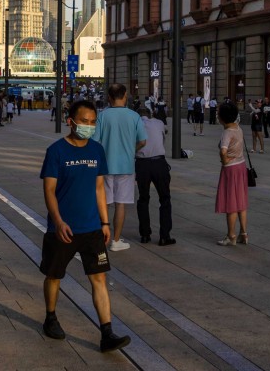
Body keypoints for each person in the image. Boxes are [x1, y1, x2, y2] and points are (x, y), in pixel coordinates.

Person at [38, 99, 131, 353]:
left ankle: (107, 333)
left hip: (91, 228)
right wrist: (57, 221)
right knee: (54, 276)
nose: (89, 126)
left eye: (92, 122)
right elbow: (49, 189)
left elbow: (100, 188)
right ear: (71, 122)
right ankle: (50, 317)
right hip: (63, 228)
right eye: (84, 122)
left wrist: (104, 221)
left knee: (99, 278)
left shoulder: (97, 150)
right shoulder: (56, 151)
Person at [93, 83, 147, 251]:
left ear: (109, 97)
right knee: (120, 204)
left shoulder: (103, 116)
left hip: (105, 165)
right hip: (126, 166)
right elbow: (143, 141)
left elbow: (95, 141)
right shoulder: (134, 116)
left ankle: (99, 239)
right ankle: (116, 241)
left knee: (104, 202)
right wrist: (132, 150)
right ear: (125, 96)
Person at [136, 107, 174, 246]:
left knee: (143, 199)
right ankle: (165, 236)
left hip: (142, 164)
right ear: (150, 114)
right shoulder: (158, 123)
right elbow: (164, 134)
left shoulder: (136, 124)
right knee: (164, 199)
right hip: (159, 163)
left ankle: (145, 234)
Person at [214, 102, 249, 246]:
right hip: (241, 166)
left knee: (231, 203)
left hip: (231, 169)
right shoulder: (238, 129)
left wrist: (225, 160)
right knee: (241, 202)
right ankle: (244, 234)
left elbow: (223, 151)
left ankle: (231, 235)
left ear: (222, 117)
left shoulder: (227, 132)